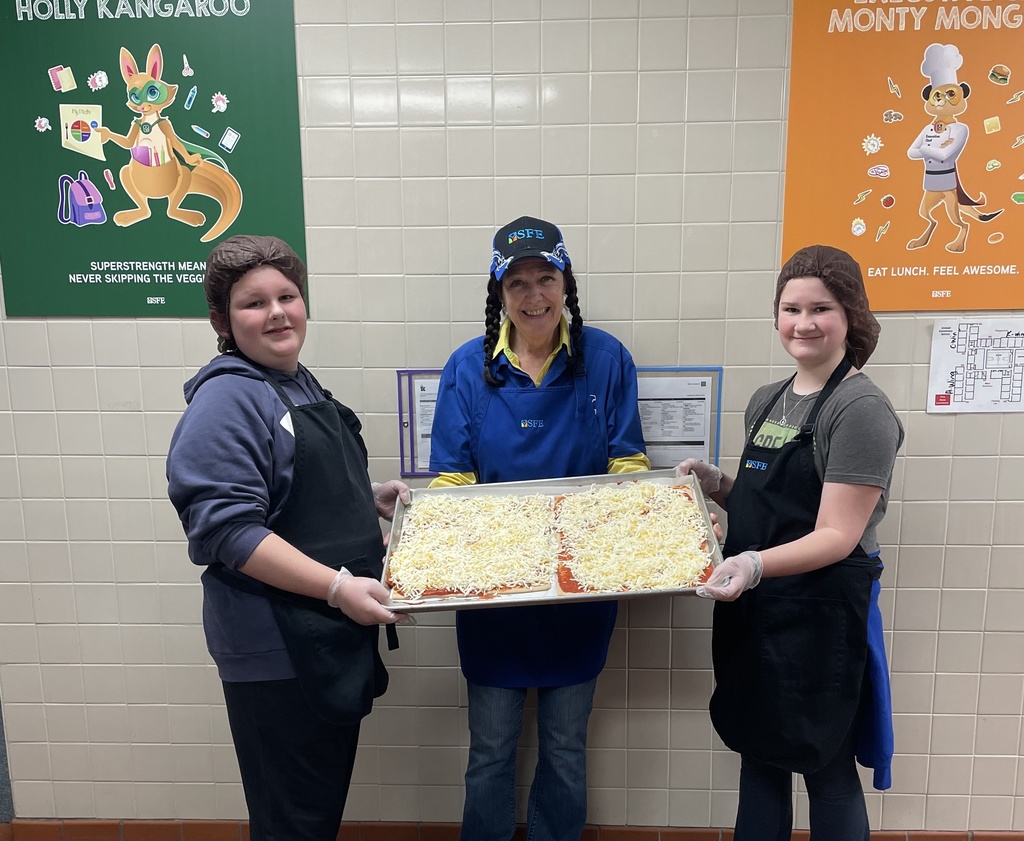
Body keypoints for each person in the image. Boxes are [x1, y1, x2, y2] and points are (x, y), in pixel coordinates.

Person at [166, 235, 408, 841]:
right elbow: (229, 530)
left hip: (324, 638)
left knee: (315, 813)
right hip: (278, 647)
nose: (276, 312)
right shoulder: (228, 398)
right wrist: (337, 588)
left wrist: (365, 500)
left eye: (287, 296)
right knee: (292, 822)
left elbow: (293, 491)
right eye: (253, 303)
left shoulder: (295, 384)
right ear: (222, 320)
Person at [429, 216, 651, 841]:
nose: (533, 297)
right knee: (491, 750)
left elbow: (627, 460)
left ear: (565, 282)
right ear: (498, 292)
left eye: (545, 279)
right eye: (517, 283)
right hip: (493, 594)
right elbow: (451, 475)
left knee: (565, 748)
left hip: (578, 592)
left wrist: (639, 520)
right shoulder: (468, 368)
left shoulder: (604, 359)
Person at [678, 244, 903, 841]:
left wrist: (752, 564)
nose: (804, 323)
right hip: (758, 611)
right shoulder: (768, 400)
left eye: (821, 308)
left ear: (850, 315)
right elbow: (769, 503)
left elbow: (835, 533)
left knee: (824, 764)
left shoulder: (860, 409)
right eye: (790, 308)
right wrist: (717, 486)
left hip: (820, 616)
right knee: (760, 753)